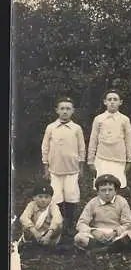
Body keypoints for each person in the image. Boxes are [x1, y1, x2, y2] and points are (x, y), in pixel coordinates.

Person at [41, 96, 86, 238]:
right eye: (62, 108)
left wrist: (81, 167)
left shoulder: (76, 128)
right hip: (55, 170)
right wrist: (46, 168)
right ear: (57, 110)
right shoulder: (51, 127)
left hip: (72, 170)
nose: (65, 111)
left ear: (73, 111)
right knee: (57, 197)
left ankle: (69, 224)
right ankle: (58, 224)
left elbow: (81, 149)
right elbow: (45, 148)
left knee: (71, 196)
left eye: (68, 109)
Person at [74, 174, 131, 253]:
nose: (107, 193)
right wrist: (93, 231)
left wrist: (116, 232)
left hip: (116, 234)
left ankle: (101, 249)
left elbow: (127, 223)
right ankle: (114, 248)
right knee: (79, 238)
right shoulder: (93, 203)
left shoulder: (122, 202)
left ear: (115, 191)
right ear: (98, 192)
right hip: (98, 233)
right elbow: (81, 223)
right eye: (103, 190)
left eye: (110, 190)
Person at [87, 89, 131, 194]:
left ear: (120, 102)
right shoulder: (99, 119)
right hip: (102, 158)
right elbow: (93, 140)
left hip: (118, 159)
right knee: (102, 187)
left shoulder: (124, 120)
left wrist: (129, 160)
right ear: (105, 102)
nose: (112, 102)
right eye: (109, 99)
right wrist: (90, 161)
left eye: (115, 99)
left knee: (117, 187)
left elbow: (128, 140)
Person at [19, 183, 63, 248]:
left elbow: (57, 219)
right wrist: (35, 232)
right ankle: (30, 242)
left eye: (46, 197)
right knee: (25, 226)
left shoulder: (53, 206)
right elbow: (23, 217)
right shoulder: (31, 205)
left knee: (58, 226)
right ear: (34, 198)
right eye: (40, 196)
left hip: (48, 232)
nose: (43, 200)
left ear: (51, 198)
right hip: (35, 231)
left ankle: (49, 243)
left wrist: (48, 235)